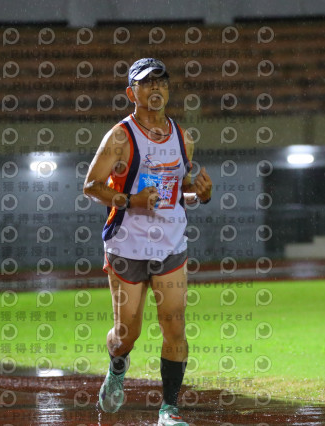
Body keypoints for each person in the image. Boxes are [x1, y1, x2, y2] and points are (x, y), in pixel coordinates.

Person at [83, 58, 212, 426]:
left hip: (170, 244)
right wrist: (131, 201)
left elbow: (178, 192)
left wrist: (201, 194)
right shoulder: (120, 137)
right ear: (131, 92)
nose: (156, 87)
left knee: (175, 326)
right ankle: (117, 366)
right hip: (127, 245)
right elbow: (91, 186)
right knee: (127, 333)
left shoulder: (182, 137)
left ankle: (168, 410)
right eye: (147, 82)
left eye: (161, 81)